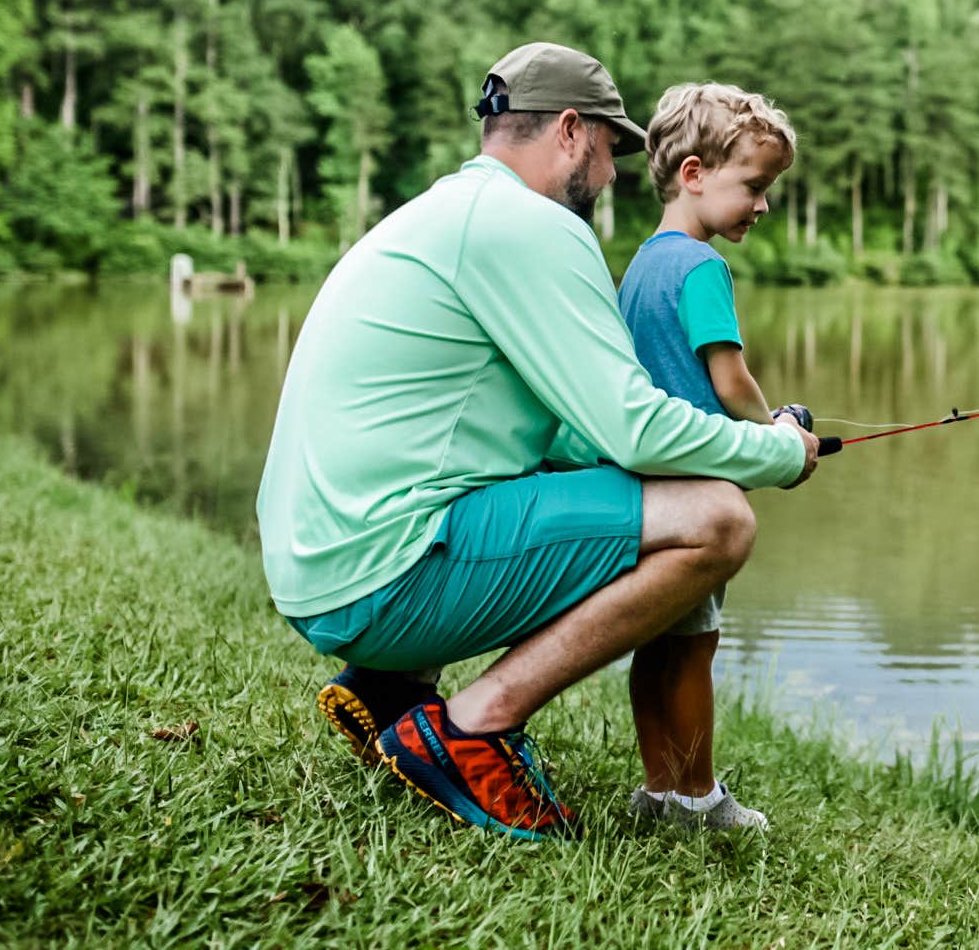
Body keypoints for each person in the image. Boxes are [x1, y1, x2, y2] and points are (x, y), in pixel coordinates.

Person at [255, 42, 820, 841]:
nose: (616, 173)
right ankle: (472, 727)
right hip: (376, 577)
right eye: (609, 148)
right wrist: (779, 452)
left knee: (563, 479)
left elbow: (563, 429)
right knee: (717, 519)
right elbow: (632, 426)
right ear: (568, 131)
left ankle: (388, 690)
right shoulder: (534, 228)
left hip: (319, 565)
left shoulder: (447, 211)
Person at [608, 82, 802, 832]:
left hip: (645, 492)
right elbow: (730, 379)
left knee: (658, 646)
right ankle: (696, 798)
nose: (761, 205)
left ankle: (659, 791)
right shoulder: (701, 269)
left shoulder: (640, 268)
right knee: (694, 650)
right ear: (694, 174)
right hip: (698, 492)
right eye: (754, 185)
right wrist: (780, 434)